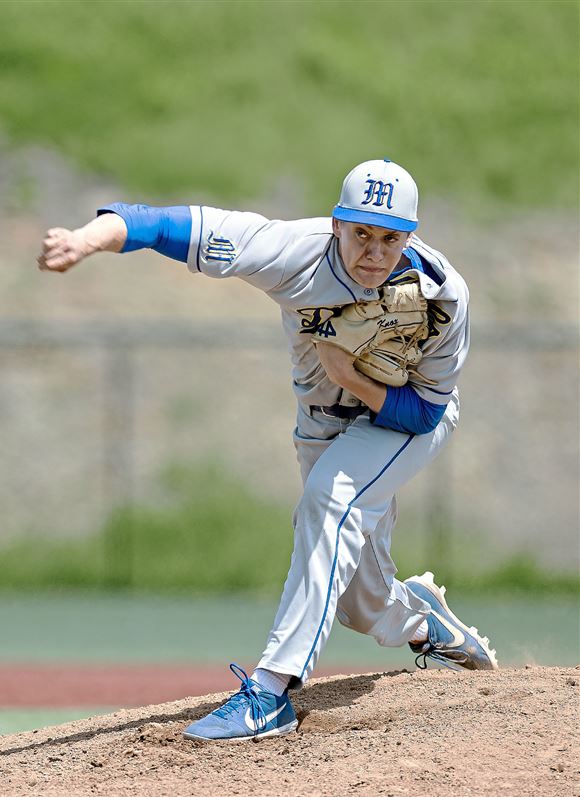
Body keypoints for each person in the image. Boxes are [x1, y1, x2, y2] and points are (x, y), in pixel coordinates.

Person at [37, 159, 498, 741]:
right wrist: (85, 240)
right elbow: (158, 225)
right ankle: (419, 617)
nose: (374, 252)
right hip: (320, 428)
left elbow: (429, 409)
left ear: (410, 235)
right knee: (362, 603)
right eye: (361, 233)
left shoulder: (442, 294)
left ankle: (271, 692)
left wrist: (353, 378)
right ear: (337, 225)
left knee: (329, 502)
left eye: (390, 237)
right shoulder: (293, 251)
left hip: (403, 425)